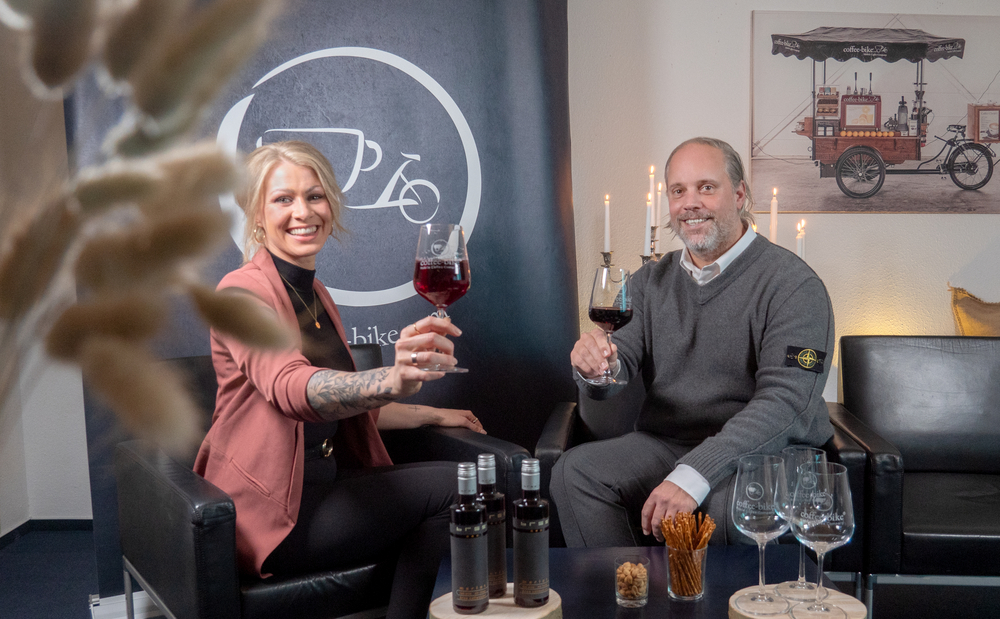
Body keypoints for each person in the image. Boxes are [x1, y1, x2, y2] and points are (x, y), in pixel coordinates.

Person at [194, 140, 483, 619]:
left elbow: (345, 403)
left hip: (325, 485)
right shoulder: (240, 293)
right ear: (257, 215)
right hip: (270, 514)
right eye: (282, 199)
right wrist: (390, 377)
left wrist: (429, 412)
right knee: (456, 487)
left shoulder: (317, 295)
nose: (302, 211)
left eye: (315, 195)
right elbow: (294, 389)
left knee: (450, 496)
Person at [551, 136, 834, 547]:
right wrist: (597, 367)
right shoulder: (649, 281)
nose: (689, 202)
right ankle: (631, 599)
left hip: (767, 451)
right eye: (678, 191)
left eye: (706, 187)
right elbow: (617, 363)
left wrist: (695, 473)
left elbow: (785, 403)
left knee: (727, 504)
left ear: (738, 195)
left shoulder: (793, 285)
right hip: (667, 443)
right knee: (574, 473)